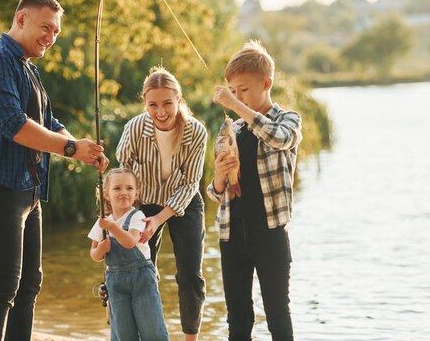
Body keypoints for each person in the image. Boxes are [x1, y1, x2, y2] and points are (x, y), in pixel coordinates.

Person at [0, 0, 109, 341]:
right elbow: (14, 125)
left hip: (28, 188)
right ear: (21, 19)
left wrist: (83, 148)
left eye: (56, 32)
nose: (51, 37)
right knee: (2, 286)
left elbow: (49, 122)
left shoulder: (29, 68)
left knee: (29, 287)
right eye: (45, 27)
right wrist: (72, 149)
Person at [207, 40, 303, 341]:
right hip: (231, 233)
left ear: (267, 83)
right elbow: (215, 192)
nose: (237, 97)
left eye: (243, 90)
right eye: (232, 91)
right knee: (238, 317)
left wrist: (236, 105)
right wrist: (220, 178)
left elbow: (279, 138)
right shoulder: (231, 130)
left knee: (277, 313)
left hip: (270, 233)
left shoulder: (287, 120)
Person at [116, 66, 207, 341]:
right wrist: (124, 217)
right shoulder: (133, 128)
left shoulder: (196, 132)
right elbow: (124, 172)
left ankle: (190, 337)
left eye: (167, 103)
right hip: (142, 204)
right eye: (152, 104)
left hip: (184, 202)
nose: (160, 112)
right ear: (144, 103)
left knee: (190, 276)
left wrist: (159, 219)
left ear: (179, 100)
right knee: (142, 272)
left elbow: (191, 184)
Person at [88, 167, 169, 341]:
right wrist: (102, 248)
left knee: (151, 328)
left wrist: (112, 228)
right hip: (116, 282)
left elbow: (130, 241)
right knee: (123, 331)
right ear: (106, 194)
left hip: (142, 279)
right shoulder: (102, 221)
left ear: (136, 193)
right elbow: (94, 253)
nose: (124, 192)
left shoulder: (137, 216)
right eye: (117, 188)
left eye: (129, 188)